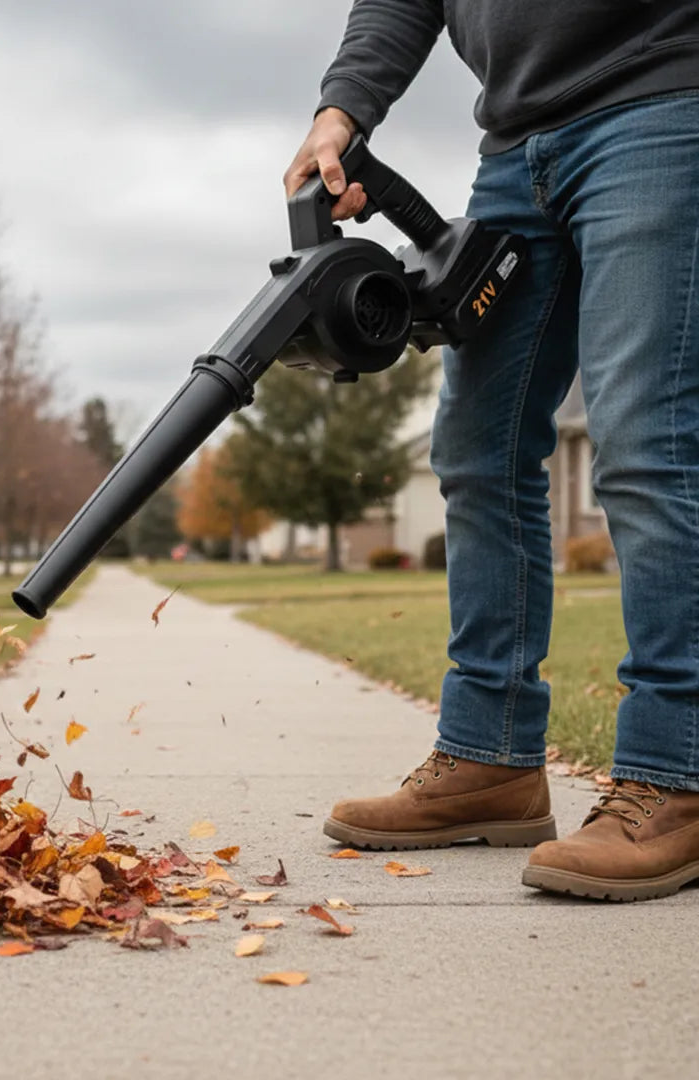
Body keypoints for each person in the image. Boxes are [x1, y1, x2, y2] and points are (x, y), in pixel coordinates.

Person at [284, 1, 699, 901]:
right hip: (516, 147)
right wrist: (341, 110)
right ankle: (492, 758)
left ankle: (678, 774)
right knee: (477, 451)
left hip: (664, 101)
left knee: (645, 443)